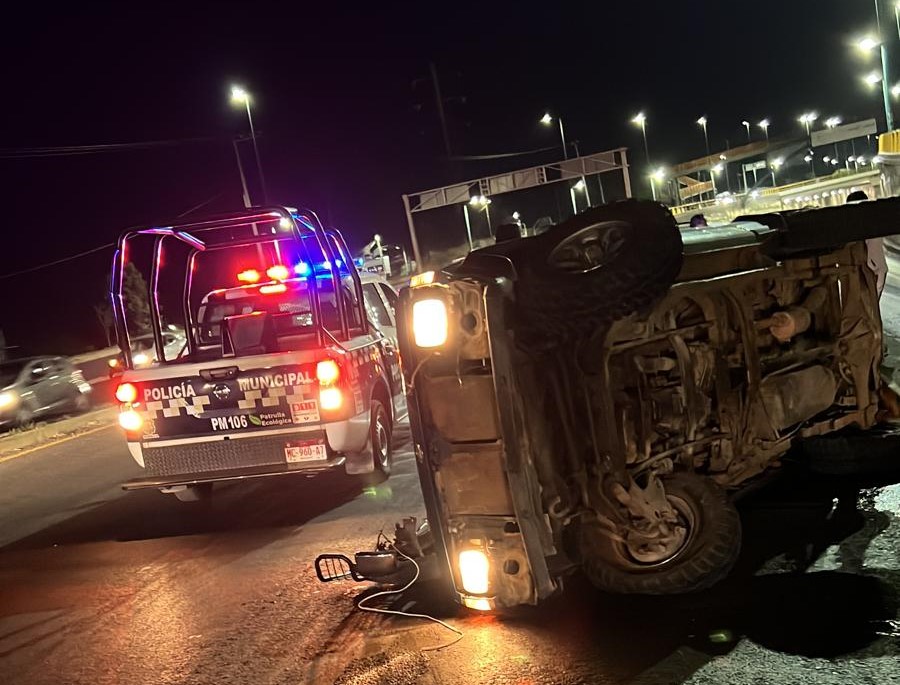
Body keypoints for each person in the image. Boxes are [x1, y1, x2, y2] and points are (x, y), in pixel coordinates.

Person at [846, 190, 887, 297]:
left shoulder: (858, 224)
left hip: (870, 271)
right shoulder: (873, 220)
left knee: (868, 308)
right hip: (879, 269)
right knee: (872, 308)